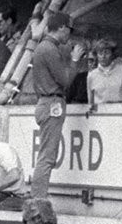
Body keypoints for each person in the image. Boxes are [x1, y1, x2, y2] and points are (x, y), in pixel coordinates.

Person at [21, 11, 82, 199]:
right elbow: (65, 80)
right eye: (69, 30)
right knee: (47, 157)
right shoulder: (49, 48)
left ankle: (37, 197)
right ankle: (38, 199)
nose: (69, 34)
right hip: (51, 102)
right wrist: (75, 60)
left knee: (46, 155)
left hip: (45, 102)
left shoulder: (44, 47)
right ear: (62, 27)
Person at [85, 37, 122, 107]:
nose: (103, 56)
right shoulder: (91, 75)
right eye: (100, 53)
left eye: (107, 53)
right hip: (101, 111)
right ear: (96, 55)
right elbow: (90, 102)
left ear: (113, 54)